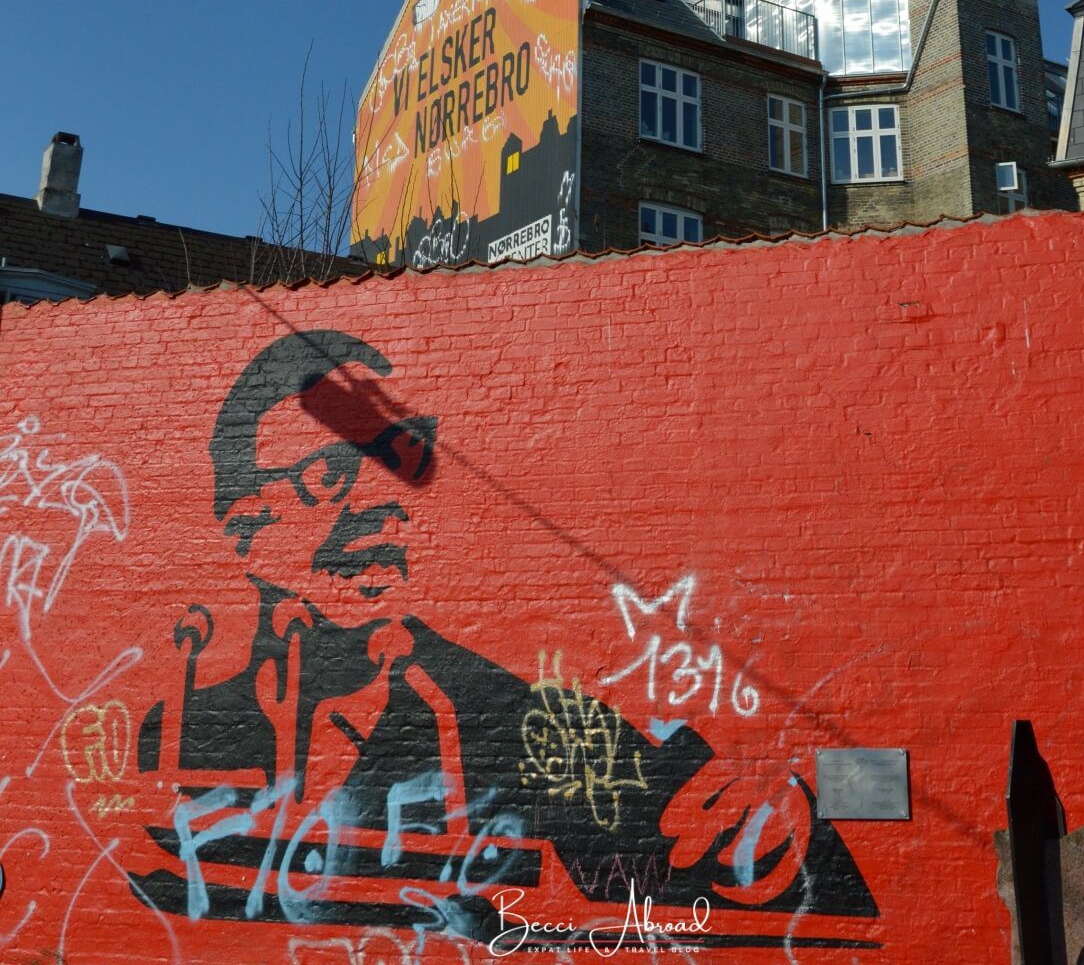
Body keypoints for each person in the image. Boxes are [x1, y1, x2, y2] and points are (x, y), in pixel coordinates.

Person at [133, 331, 874, 939]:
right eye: (332, 476)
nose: (385, 501)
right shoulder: (184, 738)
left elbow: (706, 875)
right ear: (243, 527)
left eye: (404, 459)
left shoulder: (521, 718)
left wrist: (772, 843)